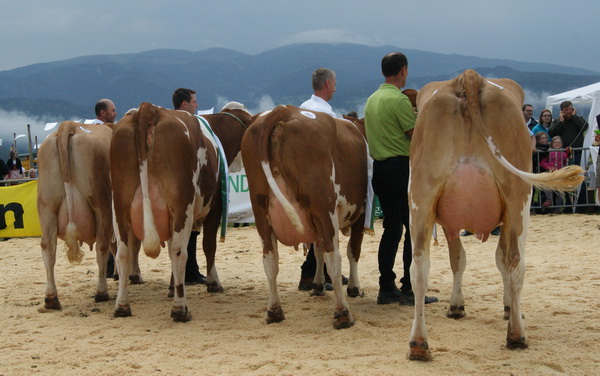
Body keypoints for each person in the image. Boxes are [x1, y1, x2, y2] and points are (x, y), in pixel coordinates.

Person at [364, 52, 437, 306]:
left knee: (391, 229)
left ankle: (386, 287)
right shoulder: (398, 100)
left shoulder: (372, 100)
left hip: (380, 170)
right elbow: (416, 135)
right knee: (413, 229)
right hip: (401, 170)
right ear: (403, 70)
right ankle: (408, 288)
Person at [297, 68, 348, 291]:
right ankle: (313, 273)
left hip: (300, 176)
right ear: (327, 84)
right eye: (334, 83)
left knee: (313, 226)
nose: (336, 87)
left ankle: (319, 272)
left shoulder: (304, 108)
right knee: (324, 225)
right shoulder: (326, 115)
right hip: (321, 177)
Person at [171, 88, 206, 286]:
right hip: (184, 188)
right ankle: (184, 274)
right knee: (186, 227)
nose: (197, 105)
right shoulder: (188, 124)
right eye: (194, 101)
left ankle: (190, 270)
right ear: (185, 104)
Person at [91, 99, 118, 277]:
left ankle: (110, 266)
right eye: (113, 110)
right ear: (103, 113)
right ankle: (111, 266)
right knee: (108, 224)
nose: (115, 114)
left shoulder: (88, 128)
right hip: (103, 184)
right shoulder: (104, 131)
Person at [540, 136, 569, 212]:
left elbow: (566, 162)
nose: (557, 144)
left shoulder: (563, 153)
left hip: (560, 174)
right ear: (552, 143)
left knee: (560, 192)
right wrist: (548, 166)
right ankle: (549, 200)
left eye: (559, 142)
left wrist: (565, 170)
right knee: (547, 187)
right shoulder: (548, 152)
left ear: (561, 144)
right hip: (551, 173)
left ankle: (558, 208)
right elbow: (543, 162)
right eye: (555, 142)